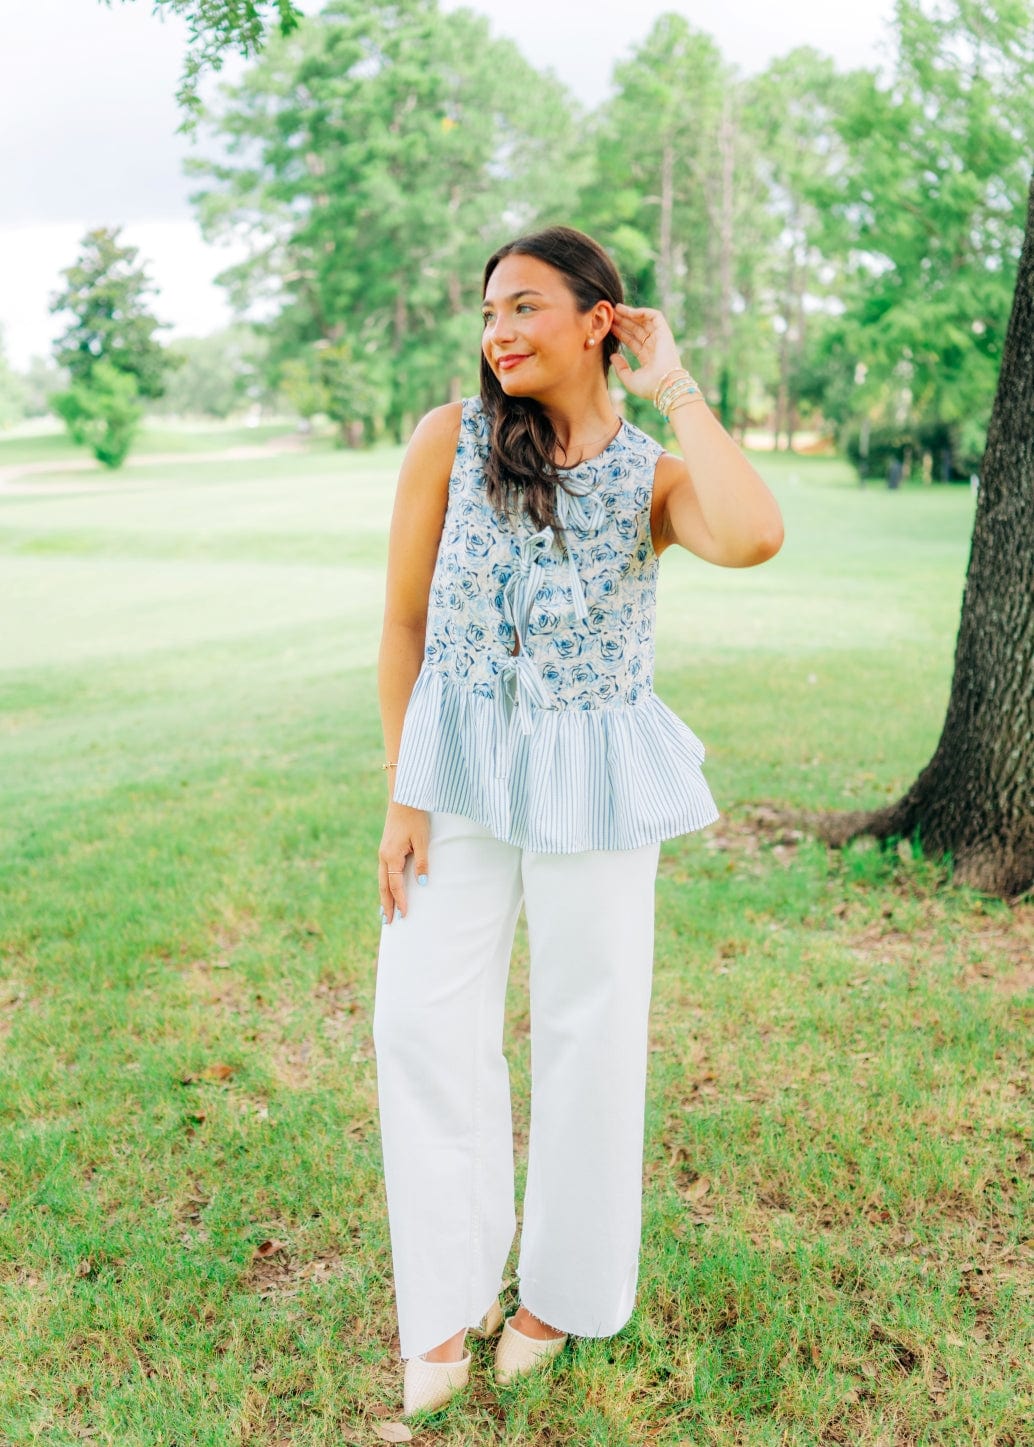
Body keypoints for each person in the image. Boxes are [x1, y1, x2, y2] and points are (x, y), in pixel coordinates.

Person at [372, 225, 784, 1418]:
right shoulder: (446, 441)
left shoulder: (652, 471)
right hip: (455, 768)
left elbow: (752, 533)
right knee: (419, 1020)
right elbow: (402, 626)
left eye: (526, 307)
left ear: (599, 319)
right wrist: (401, 791)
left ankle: (558, 1293)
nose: (497, 331)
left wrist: (673, 384)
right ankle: (443, 1302)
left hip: (594, 771)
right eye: (489, 310)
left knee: (588, 1030)